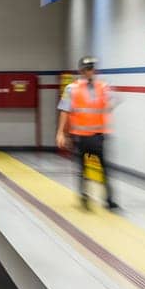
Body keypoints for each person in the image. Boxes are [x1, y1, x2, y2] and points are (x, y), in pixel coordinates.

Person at [56, 56, 119, 211]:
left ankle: (109, 199)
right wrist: (61, 133)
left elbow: (112, 102)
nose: (89, 72)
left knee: (104, 168)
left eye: (91, 68)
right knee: (82, 168)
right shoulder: (71, 88)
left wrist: (110, 105)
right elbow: (64, 111)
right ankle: (84, 196)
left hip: (98, 135)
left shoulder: (103, 87)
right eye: (87, 69)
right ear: (81, 71)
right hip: (80, 136)